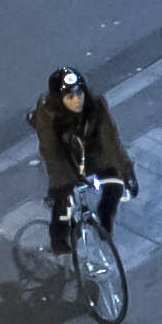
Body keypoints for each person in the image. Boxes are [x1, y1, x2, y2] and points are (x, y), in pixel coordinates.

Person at [32, 69, 135, 251]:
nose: (77, 100)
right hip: (65, 158)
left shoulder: (96, 106)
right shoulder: (48, 115)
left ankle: (103, 224)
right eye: (70, 97)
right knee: (64, 204)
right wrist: (64, 184)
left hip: (91, 155)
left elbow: (110, 141)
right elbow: (52, 153)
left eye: (79, 93)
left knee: (115, 186)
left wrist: (126, 170)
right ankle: (59, 242)